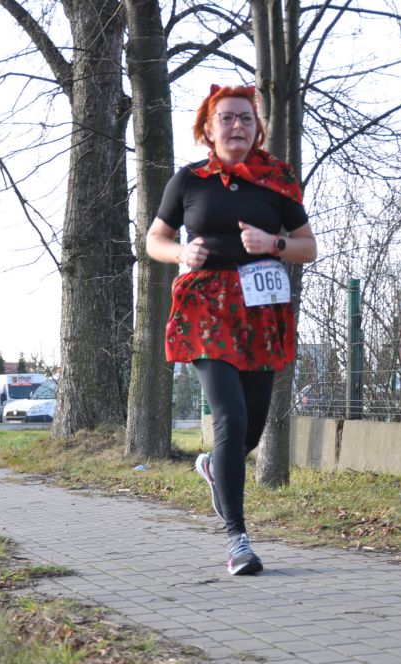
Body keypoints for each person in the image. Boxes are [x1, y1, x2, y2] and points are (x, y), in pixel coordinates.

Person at [146, 84, 317, 575]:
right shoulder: (189, 180)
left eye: (245, 117)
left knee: (251, 427)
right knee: (230, 417)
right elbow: (155, 238)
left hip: (260, 311)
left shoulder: (278, 179)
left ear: (257, 127)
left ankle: (213, 466)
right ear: (208, 128)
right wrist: (181, 252)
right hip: (205, 308)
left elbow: (307, 247)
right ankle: (238, 540)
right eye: (226, 117)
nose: (237, 125)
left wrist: (273, 243)